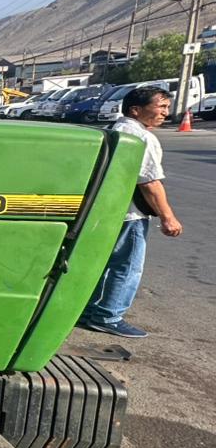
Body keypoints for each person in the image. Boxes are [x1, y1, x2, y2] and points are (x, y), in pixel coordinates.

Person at [78, 85, 182, 338]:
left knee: (106, 264)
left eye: (167, 107)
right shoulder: (140, 138)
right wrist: (168, 218)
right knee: (127, 266)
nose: (165, 113)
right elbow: (149, 182)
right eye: (161, 107)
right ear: (136, 110)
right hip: (131, 214)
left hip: (109, 211)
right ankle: (108, 315)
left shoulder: (115, 130)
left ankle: (92, 310)